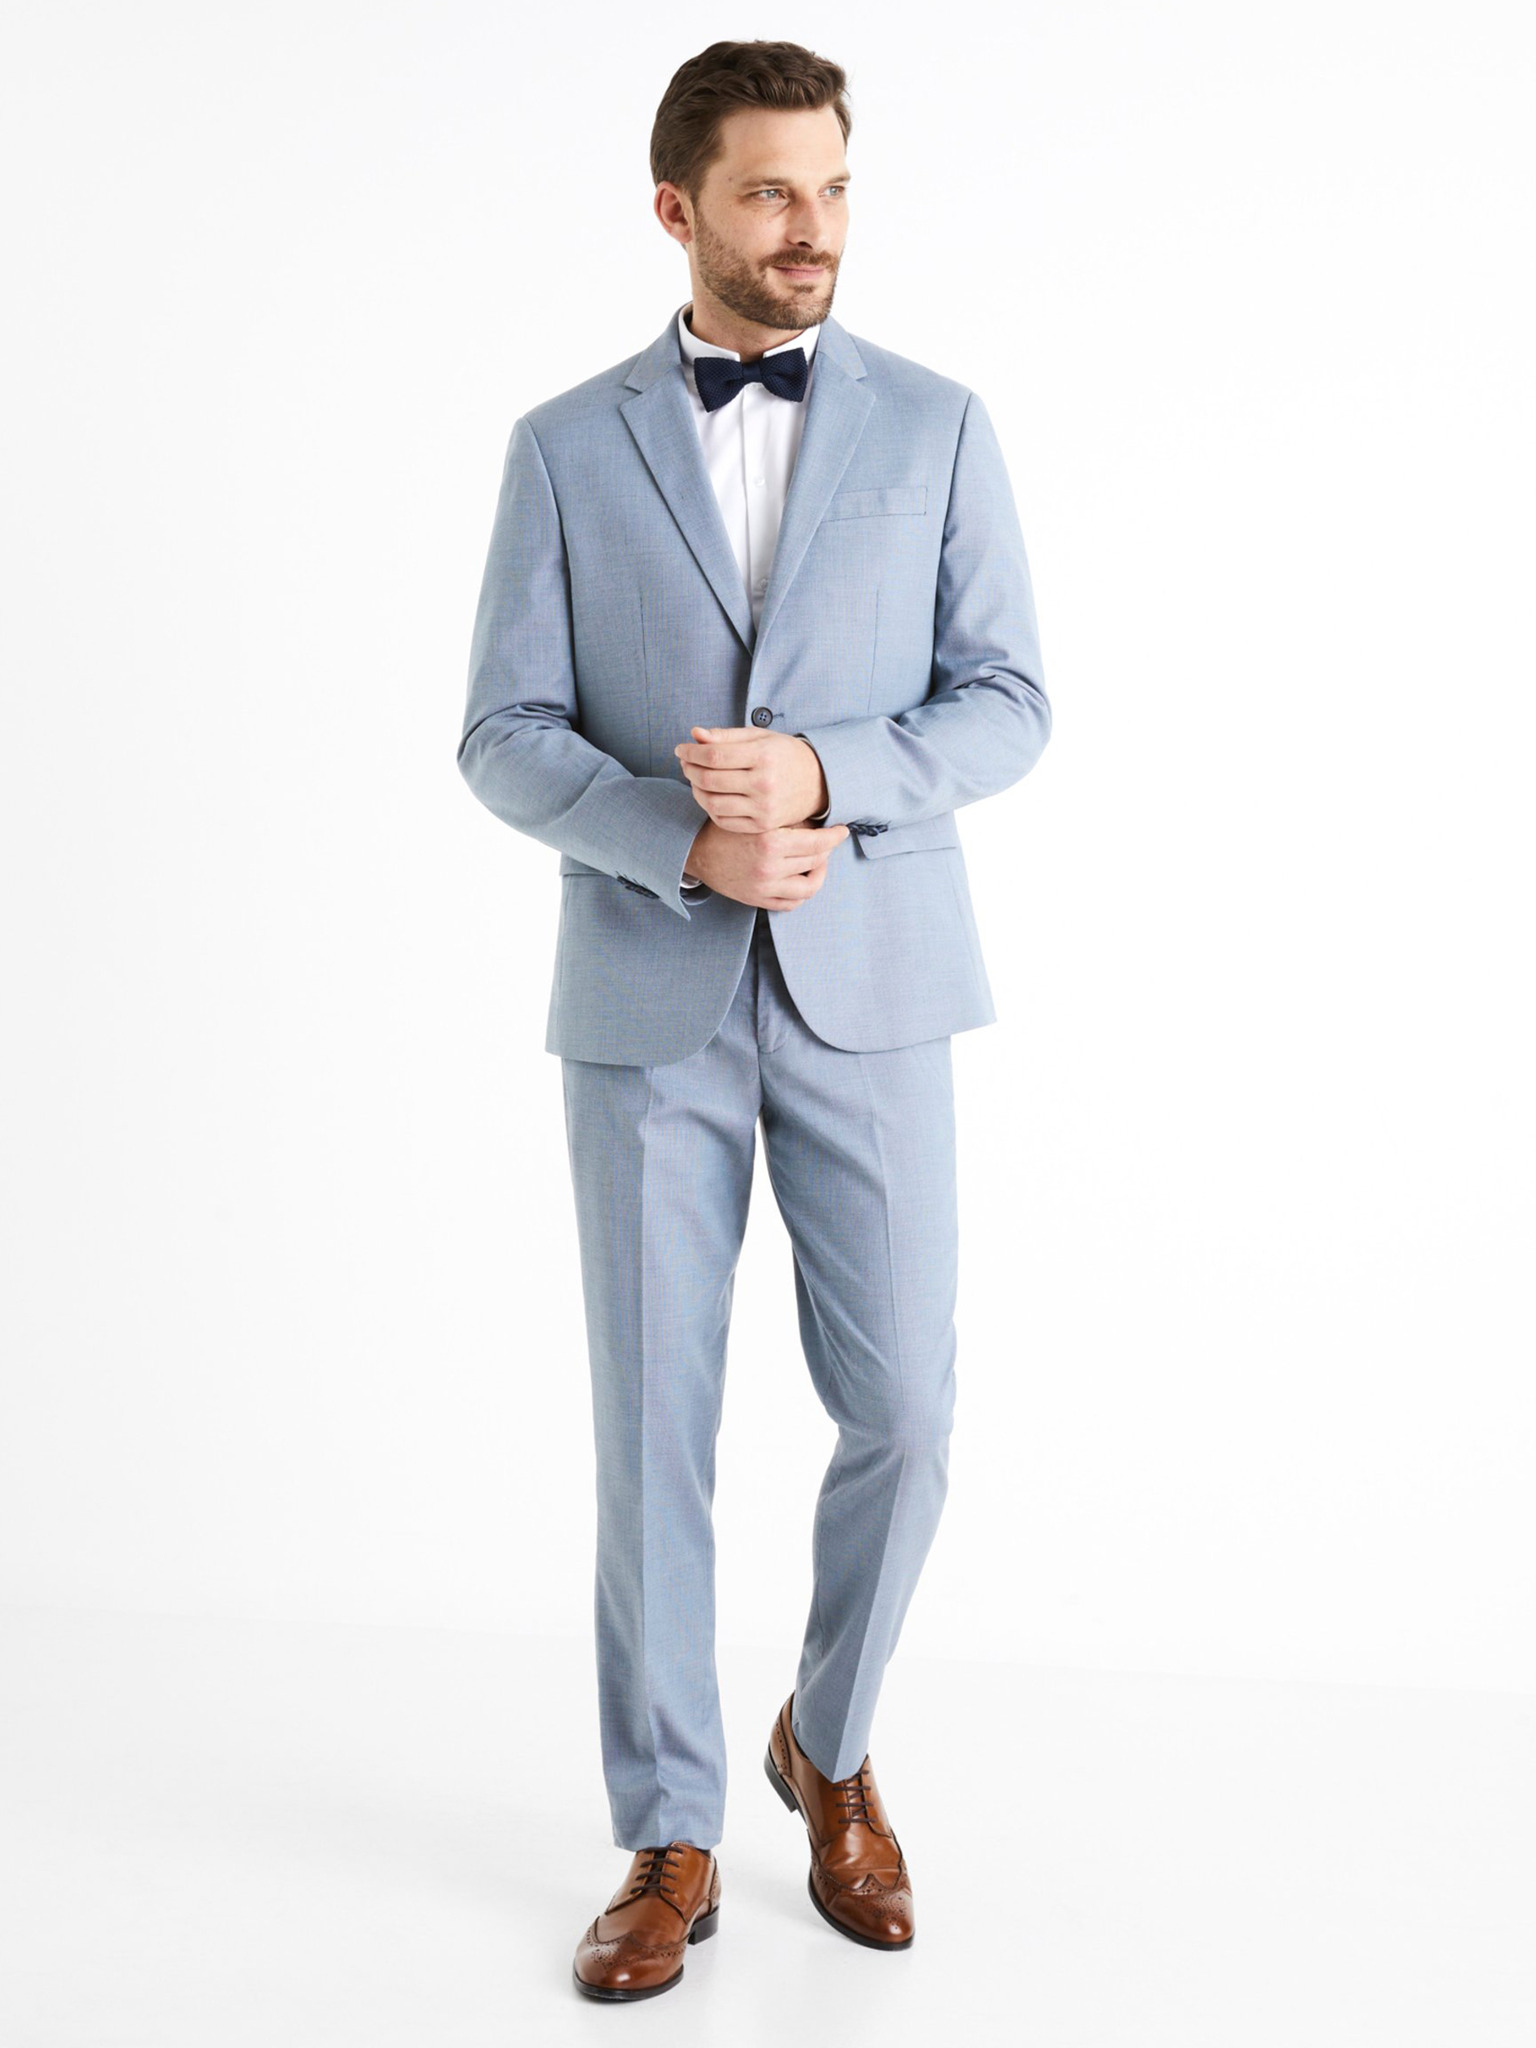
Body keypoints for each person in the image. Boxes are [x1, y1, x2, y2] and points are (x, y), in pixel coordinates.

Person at [457, 37, 1050, 2003]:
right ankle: (671, 1828)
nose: (815, 227)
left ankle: (831, 1739)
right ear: (679, 209)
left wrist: (820, 774)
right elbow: (503, 732)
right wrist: (679, 843)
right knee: (655, 1436)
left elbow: (1007, 702)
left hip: (878, 993)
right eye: (772, 191)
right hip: (650, 1006)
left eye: (836, 186)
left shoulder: (940, 426)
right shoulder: (565, 445)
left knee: (909, 1416)